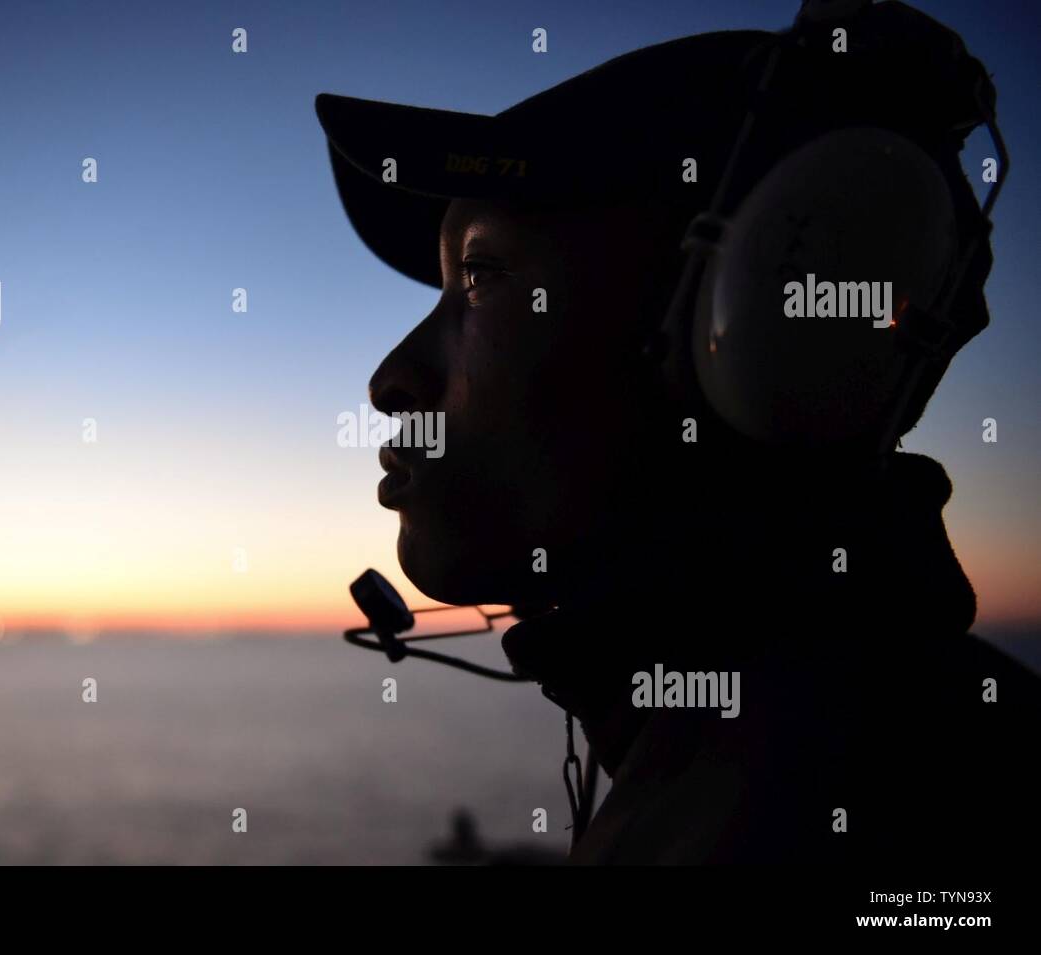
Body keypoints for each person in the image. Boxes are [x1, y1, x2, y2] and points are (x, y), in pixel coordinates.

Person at [316, 1, 1040, 863]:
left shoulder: (842, 817)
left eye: (480, 276)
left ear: (757, 329)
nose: (391, 379)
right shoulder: (821, 760)